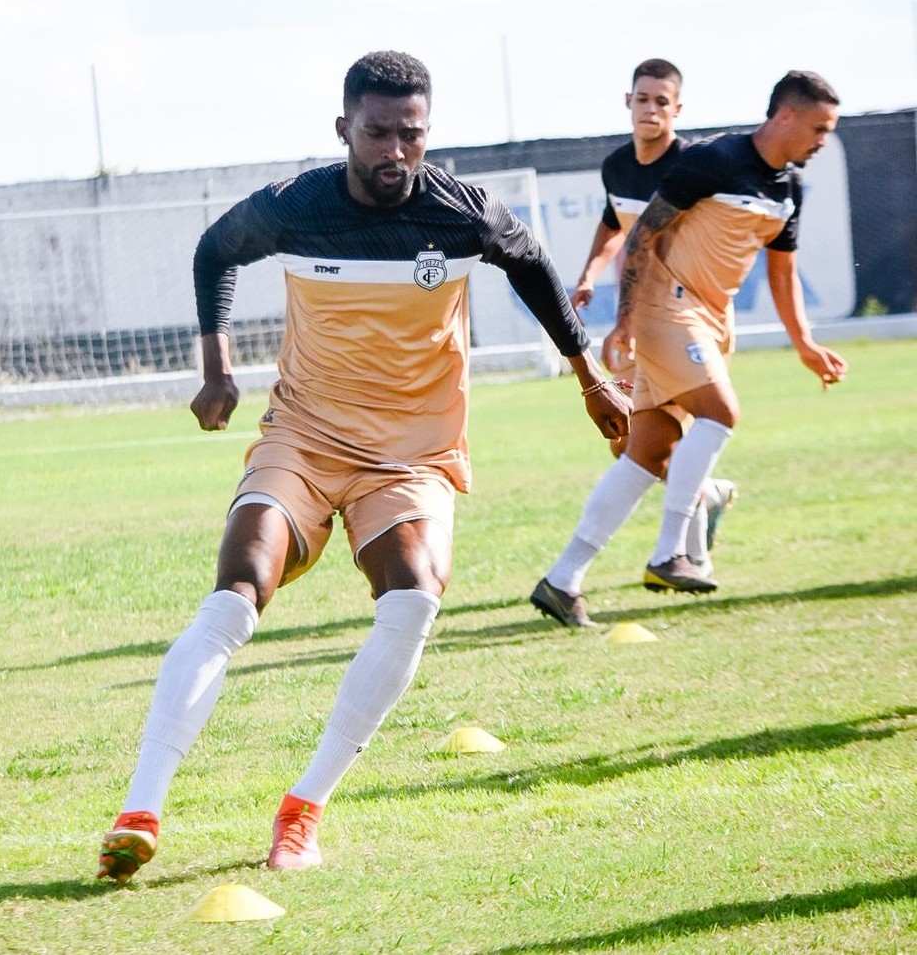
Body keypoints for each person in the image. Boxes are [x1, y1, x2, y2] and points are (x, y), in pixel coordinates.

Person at [96, 50, 632, 882]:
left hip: (410, 454)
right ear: (343, 126)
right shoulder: (296, 206)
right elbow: (214, 252)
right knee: (236, 596)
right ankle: (141, 808)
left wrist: (587, 372)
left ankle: (304, 807)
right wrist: (217, 366)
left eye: (409, 135)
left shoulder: (462, 214)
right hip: (303, 439)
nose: (393, 151)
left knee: (415, 594)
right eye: (376, 132)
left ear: (427, 132)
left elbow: (531, 267)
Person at [533, 69, 848, 614]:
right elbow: (643, 233)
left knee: (645, 451)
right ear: (786, 115)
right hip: (666, 308)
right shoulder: (713, 160)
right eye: (819, 128)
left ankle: (563, 581)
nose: (823, 141)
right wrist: (627, 319)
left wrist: (805, 345)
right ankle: (671, 555)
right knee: (721, 411)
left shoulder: (788, 187)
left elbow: (782, 274)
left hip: (710, 318)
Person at [532, 59, 736, 629]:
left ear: (678, 109)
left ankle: (579, 575)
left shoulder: (692, 166)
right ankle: (683, 538)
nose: (651, 109)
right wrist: (592, 273)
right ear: (628, 101)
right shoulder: (618, 167)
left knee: (651, 445)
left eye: (661, 101)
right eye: (642, 99)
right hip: (658, 319)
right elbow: (613, 226)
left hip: (687, 314)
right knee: (646, 443)